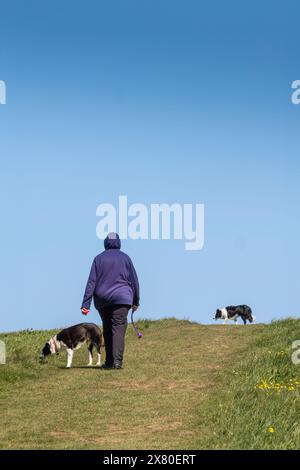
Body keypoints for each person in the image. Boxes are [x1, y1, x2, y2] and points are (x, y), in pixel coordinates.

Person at [81, 232, 140, 369]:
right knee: (118, 328)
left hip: (103, 300)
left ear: (105, 243)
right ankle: (117, 362)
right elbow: (134, 281)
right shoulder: (126, 258)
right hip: (122, 298)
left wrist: (86, 304)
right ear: (119, 242)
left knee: (107, 329)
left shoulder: (98, 259)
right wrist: (136, 301)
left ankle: (109, 362)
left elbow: (91, 282)